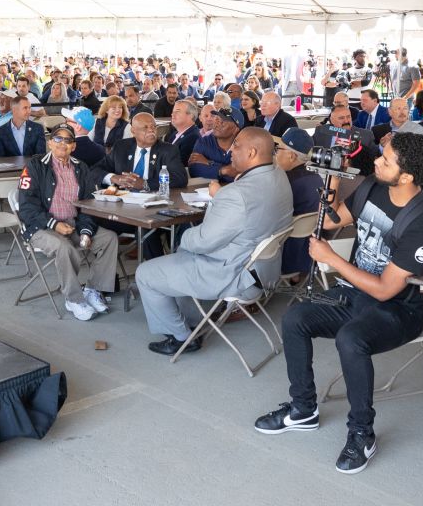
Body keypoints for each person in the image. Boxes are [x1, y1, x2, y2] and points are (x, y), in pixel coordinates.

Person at [253, 132, 423, 475]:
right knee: (296, 317)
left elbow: (386, 290)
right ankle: (303, 409)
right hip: (356, 294)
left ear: (407, 176)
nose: (376, 161)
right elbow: (330, 220)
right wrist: (331, 183)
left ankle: (361, 432)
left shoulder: (422, 221)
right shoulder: (372, 187)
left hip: (400, 310)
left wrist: (332, 259)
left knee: (351, 339)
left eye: (385, 161)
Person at [137, 127, 293, 355]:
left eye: (236, 145)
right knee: (180, 259)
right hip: (264, 271)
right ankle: (193, 321)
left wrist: (185, 233)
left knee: (147, 272)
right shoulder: (278, 176)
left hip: (233, 274)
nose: (231, 150)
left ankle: (182, 337)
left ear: (251, 153)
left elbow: (202, 241)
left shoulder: (236, 195)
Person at [17, 124, 120, 322]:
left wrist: (86, 231)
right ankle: (73, 298)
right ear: (49, 143)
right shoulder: (35, 165)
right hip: (40, 227)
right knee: (65, 248)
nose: (62, 144)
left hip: (74, 224)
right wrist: (54, 224)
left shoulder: (81, 168)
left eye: (67, 140)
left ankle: (92, 289)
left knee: (109, 239)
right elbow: (27, 208)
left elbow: (88, 204)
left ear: (73, 146)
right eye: (57, 139)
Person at [91, 113, 188, 192]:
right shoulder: (121, 147)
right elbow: (95, 170)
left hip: (152, 201)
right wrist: (113, 178)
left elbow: (180, 178)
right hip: (121, 200)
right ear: (133, 131)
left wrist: (145, 184)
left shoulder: (168, 150)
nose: (151, 130)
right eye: (145, 127)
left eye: (153, 127)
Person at [273, 128, 323, 281]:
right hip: (309, 254)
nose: (274, 153)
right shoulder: (317, 178)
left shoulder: (285, 182)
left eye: (277, 149)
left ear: (291, 156)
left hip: (281, 257)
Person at [188, 107, 245, 183]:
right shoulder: (204, 142)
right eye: (216, 119)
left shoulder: (244, 146)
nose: (217, 124)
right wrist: (223, 170)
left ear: (235, 129)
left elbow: (243, 175)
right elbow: (195, 170)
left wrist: (209, 163)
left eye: (223, 121)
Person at [164, 99, 201, 164]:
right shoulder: (174, 134)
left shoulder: (193, 137)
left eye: (177, 111)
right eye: (173, 111)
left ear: (190, 115)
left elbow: (179, 163)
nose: (172, 114)